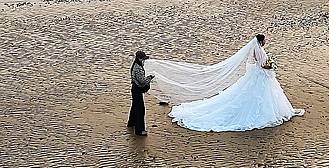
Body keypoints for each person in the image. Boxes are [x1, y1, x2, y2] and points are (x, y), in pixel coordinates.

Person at [144, 35, 305, 132]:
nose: (265, 43)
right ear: (261, 41)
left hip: (257, 75)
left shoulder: (255, 49)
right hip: (260, 75)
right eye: (264, 41)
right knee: (258, 96)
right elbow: (262, 64)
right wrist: (269, 65)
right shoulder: (259, 50)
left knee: (249, 94)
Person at [127, 50, 154, 136]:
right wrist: (150, 77)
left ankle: (131, 124)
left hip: (135, 89)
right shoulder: (137, 68)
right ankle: (139, 130)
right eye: (143, 59)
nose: (144, 60)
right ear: (139, 58)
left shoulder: (136, 65)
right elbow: (142, 81)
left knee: (135, 107)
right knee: (140, 109)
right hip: (137, 90)